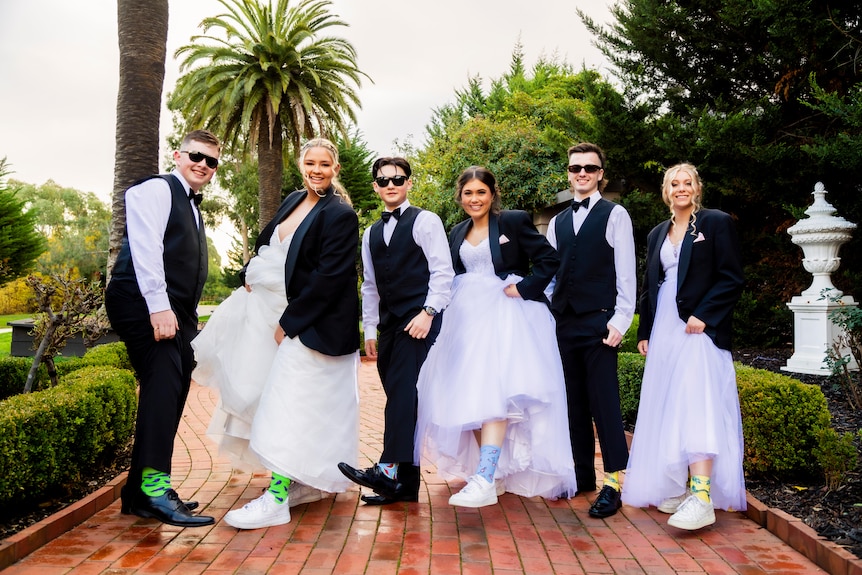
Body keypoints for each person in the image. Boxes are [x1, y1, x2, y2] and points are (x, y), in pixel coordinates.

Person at [194, 138, 361, 530]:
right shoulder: (291, 200)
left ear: (335, 169)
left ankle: (278, 496)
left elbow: (330, 279)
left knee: (292, 405)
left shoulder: (339, 214)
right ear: (301, 165)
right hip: (279, 314)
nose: (316, 170)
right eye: (310, 163)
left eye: (324, 164)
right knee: (279, 400)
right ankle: (301, 482)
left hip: (312, 325)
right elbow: (268, 243)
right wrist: (249, 274)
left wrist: (290, 322)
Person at [414, 166, 578, 508]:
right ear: (460, 197)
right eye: (468, 193)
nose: (475, 199)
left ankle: (485, 477)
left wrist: (525, 287)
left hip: (505, 315)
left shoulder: (513, 221)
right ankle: (495, 474)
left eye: (481, 192)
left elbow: (550, 259)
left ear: (493, 193)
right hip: (465, 319)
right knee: (471, 395)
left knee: (496, 394)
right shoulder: (456, 231)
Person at [105, 129, 221, 527]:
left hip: (176, 310)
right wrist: (159, 307)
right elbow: (146, 247)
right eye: (196, 156)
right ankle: (153, 490)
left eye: (211, 161)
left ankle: (141, 491)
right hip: (144, 302)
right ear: (177, 155)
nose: (203, 165)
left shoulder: (191, 203)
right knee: (163, 386)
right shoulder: (154, 190)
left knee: (172, 388)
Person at [622, 163, 746, 530]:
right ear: (666, 191)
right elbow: (651, 286)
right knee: (671, 401)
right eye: (674, 184)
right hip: (665, 328)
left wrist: (704, 315)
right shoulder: (658, 233)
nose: (681, 188)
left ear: (697, 188)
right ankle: (683, 486)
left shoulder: (715, 223)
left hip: (698, 329)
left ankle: (703, 496)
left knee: (697, 401)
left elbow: (731, 277)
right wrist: (644, 331)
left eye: (687, 183)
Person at [338, 157, 454, 504]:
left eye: (398, 179)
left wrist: (428, 312)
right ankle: (406, 486)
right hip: (389, 326)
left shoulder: (426, 221)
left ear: (409, 183)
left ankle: (387, 470)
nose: (391, 185)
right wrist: (370, 329)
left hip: (420, 323)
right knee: (403, 400)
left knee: (403, 395)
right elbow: (370, 285)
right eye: (384, 180)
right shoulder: (371, 232)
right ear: (375, 186)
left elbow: (443, 274)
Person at [546, 142, 637, 519]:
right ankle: (582, 475)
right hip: (564, 323)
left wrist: (620, 321)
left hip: (600, 323)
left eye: (589, 168)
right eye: (575, 168)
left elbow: (627, 274)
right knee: (573, 404)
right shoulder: (556, 222)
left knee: (605, 406)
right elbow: (552, 273)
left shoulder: (616, 215)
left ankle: (613, 483)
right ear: (568, 173)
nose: (581, 173)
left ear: (601, 174)